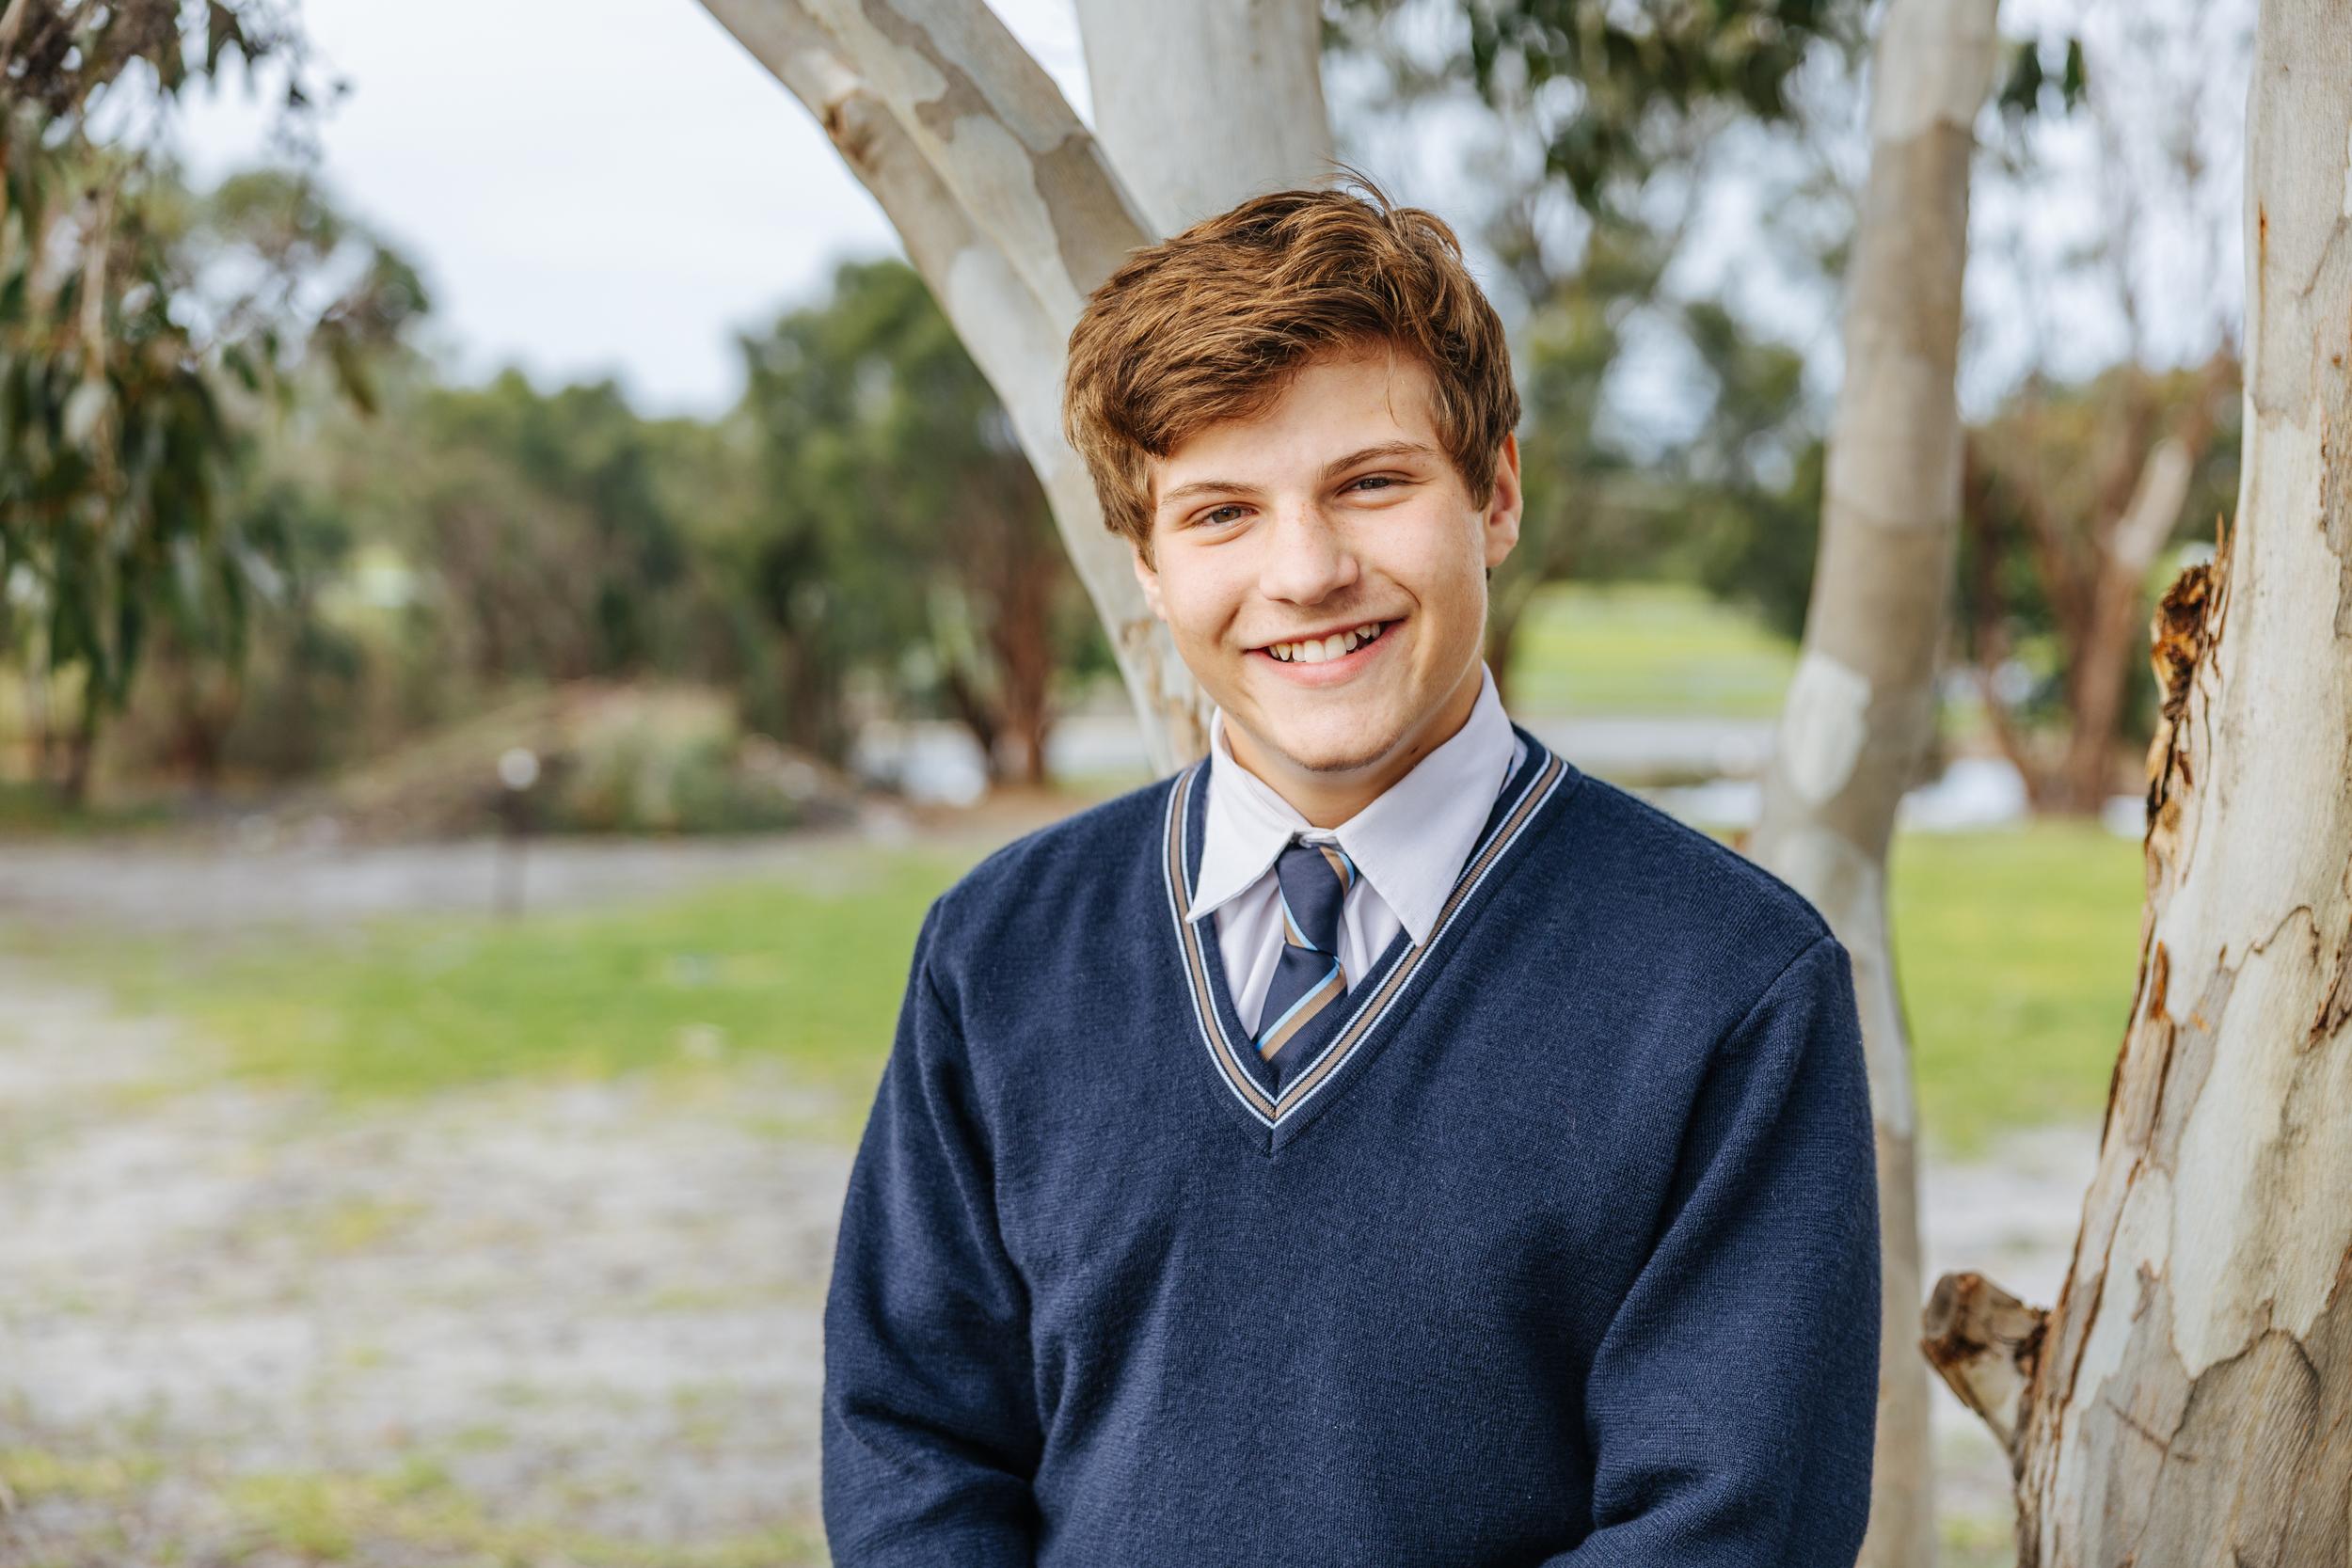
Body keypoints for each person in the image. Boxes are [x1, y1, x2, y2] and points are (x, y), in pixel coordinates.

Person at [818, 177, 1881, 1567]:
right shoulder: (997, 953)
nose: (1306, 571)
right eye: (1220, 515)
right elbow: (913, 1444)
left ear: (1494, 492)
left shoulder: (1732, 984)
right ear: (1144, 560)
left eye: (1369, 484)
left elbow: (1731, 1528)